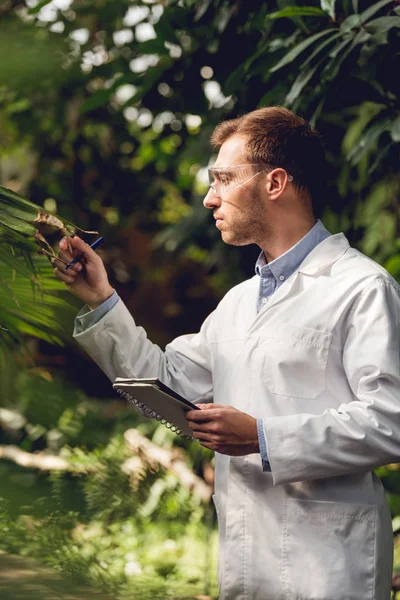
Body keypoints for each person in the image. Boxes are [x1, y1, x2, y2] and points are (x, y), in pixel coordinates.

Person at [53, 106, 400, 600]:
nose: (208, 197)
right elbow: (161, 382)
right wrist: (102, 298)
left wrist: (262, 437)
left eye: (222, 179)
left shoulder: (361, 287)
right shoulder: (238, 303)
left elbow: (391, 421)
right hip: (245, 558)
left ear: (274, 182)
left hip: (328, 564)